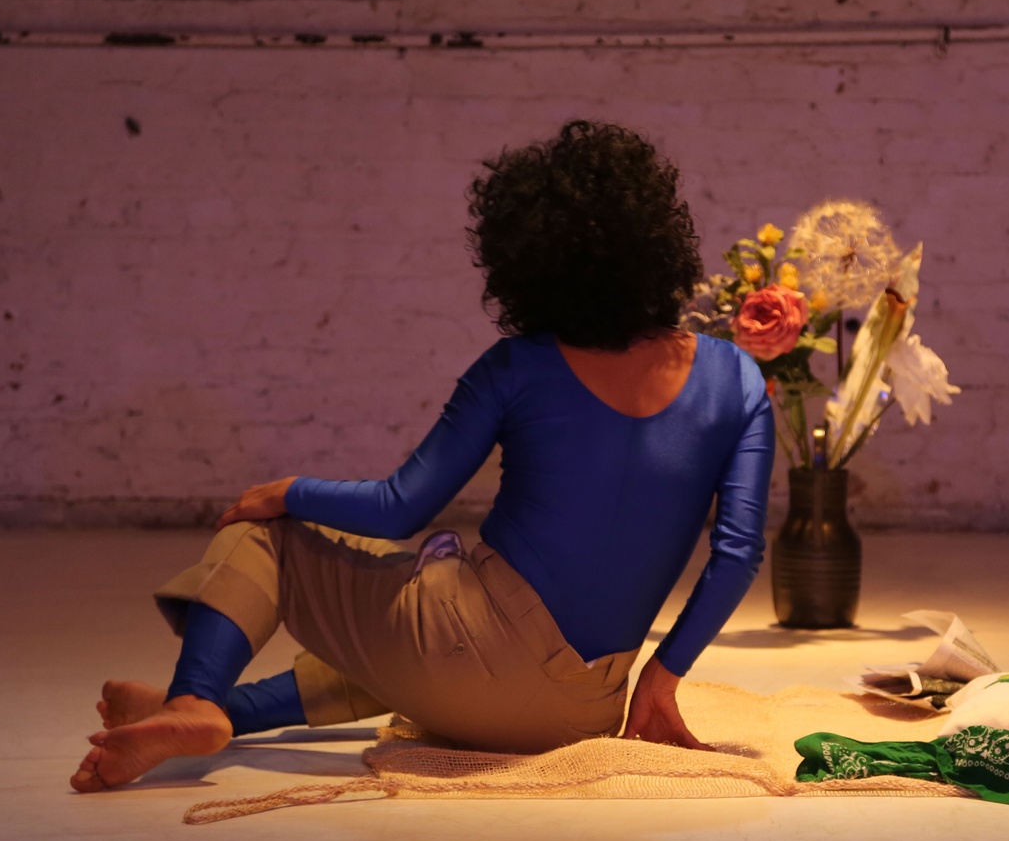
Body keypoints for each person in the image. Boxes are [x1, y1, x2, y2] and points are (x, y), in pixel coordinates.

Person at [72, 121, 775, 792]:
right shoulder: (736, 378)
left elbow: (399, 506)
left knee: (273, 540)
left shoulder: (516, 368)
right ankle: (220, 710)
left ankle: (195, 698)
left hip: (472, 659)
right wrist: (661, 677)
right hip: (583, 708)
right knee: (416, 641)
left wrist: (289, 491)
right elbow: (738, 553)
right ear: (658, 238)